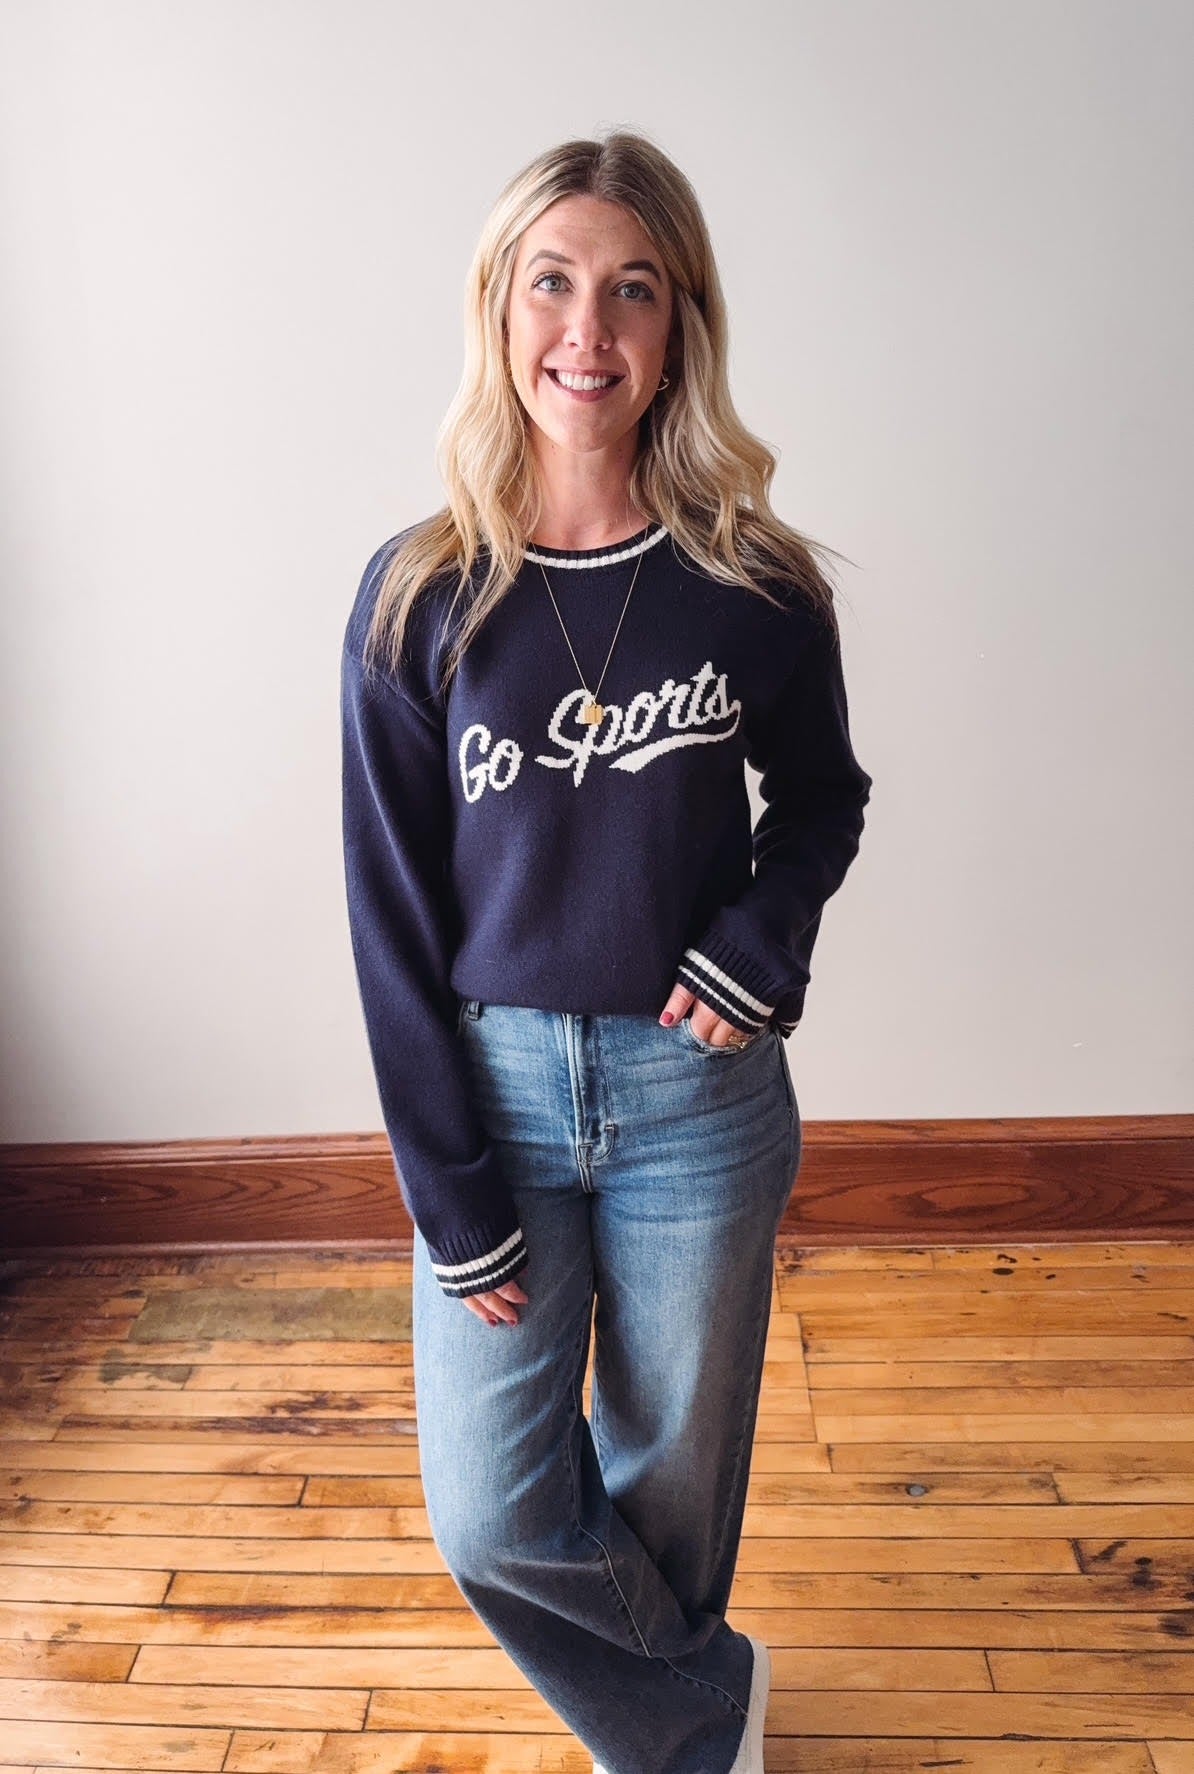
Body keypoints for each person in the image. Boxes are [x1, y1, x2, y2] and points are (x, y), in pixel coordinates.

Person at [340, 130, 872, 1774]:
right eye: (552, 282)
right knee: (493, 1510)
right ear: (498, 311)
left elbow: (824, 800)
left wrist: (757, 947)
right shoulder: (419, 597)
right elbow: (388, 919)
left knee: (668, 1480)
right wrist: (447, 1186)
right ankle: (701, 1710)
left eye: (633, 289)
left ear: (679, 323)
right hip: (492, 1092)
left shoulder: (751, 582)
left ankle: (664, 1745)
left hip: (692, 1099)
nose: (589, 328)